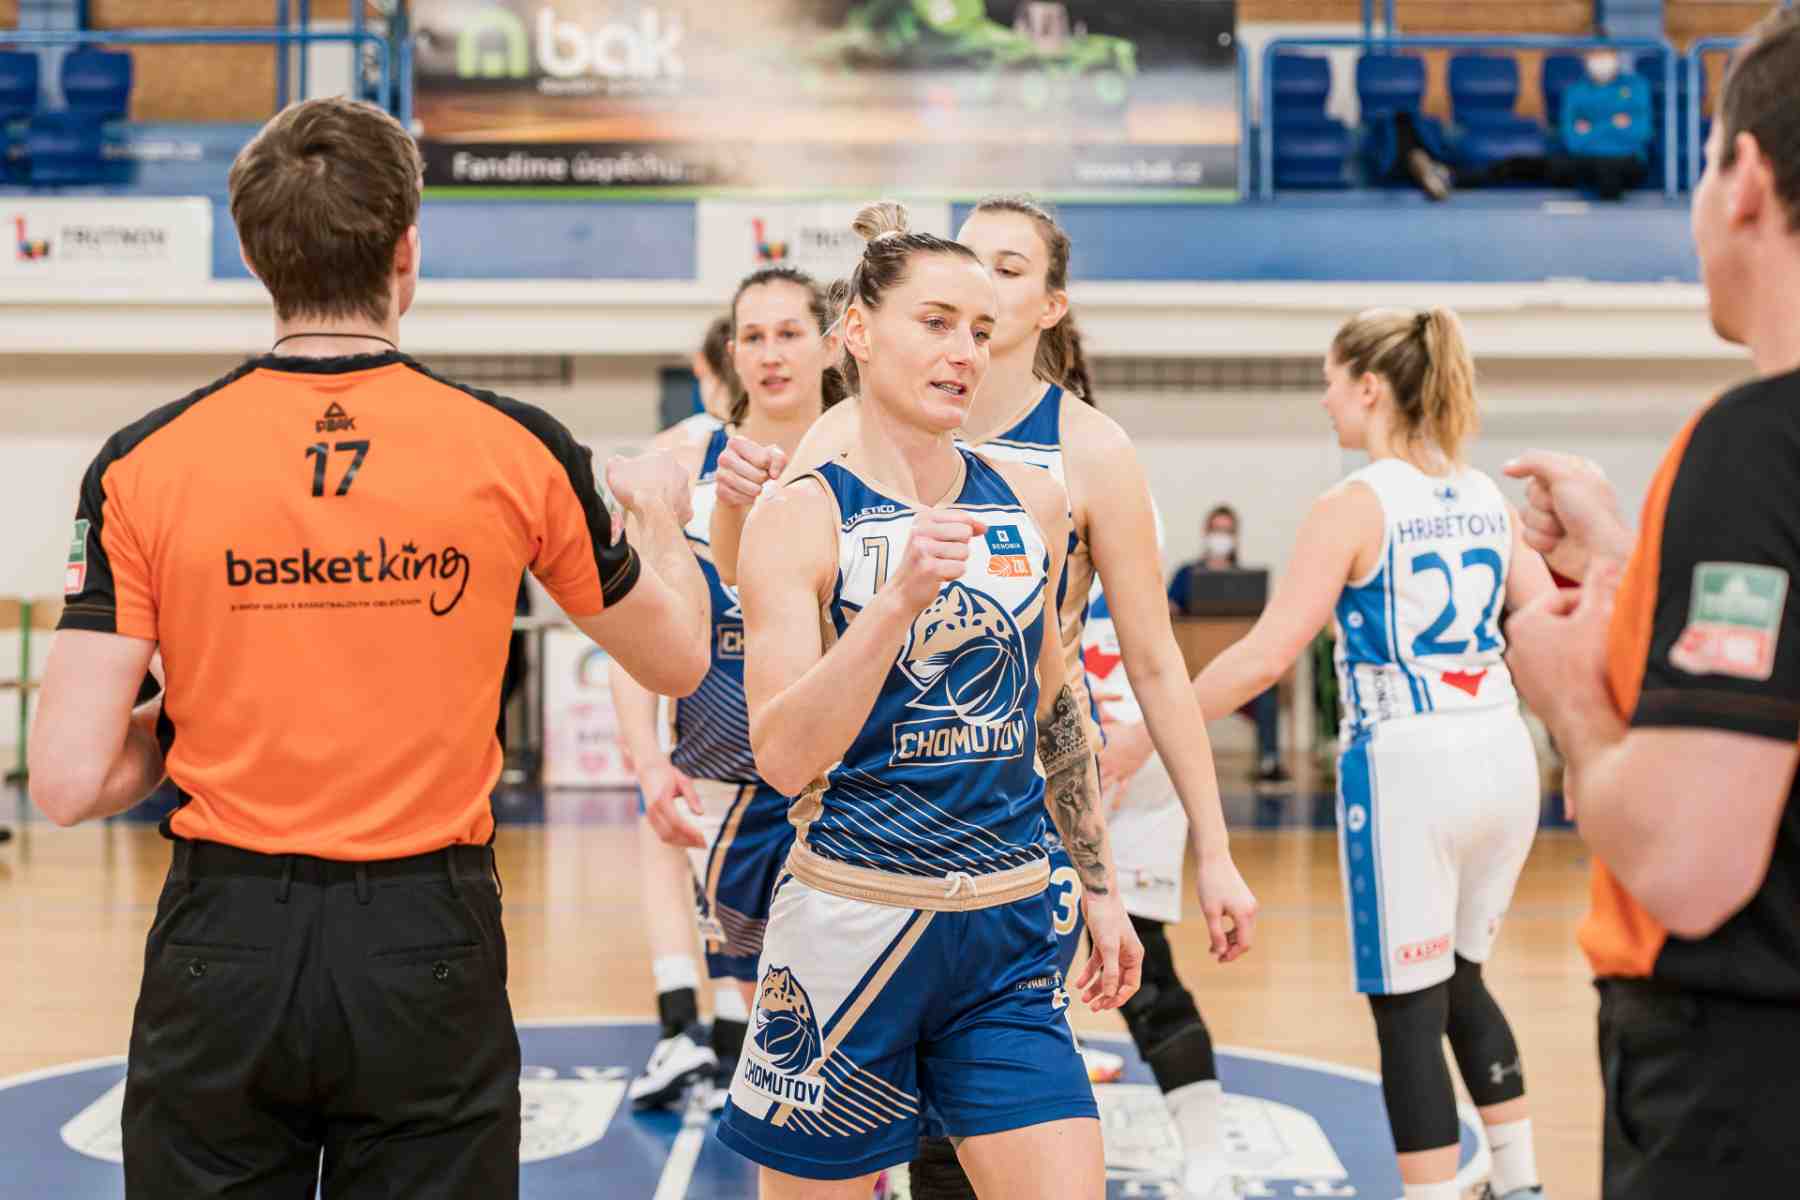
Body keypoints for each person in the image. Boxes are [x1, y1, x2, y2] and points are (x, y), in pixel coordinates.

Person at [25, 97, 711, 1200]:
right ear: (406, 252)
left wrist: (203, 710)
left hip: (223, 942)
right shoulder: (519, 448)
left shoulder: (140, 463)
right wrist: (664, 515)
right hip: (425, 943)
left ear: (255, 255)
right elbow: (677, 662)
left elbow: (65, 781)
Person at [711, 196, 1259, 1199]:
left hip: (1006, 934)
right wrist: (896, 604)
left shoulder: (1033, 499)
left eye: (976, 329)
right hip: (852, 927)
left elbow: (1056, 711)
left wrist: (1099, 888)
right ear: (859, 332)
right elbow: (782, 755)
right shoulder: (807, 508)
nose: (964, 351)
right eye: (936, 324)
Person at [1503, 11, 1800, 1196]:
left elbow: (1689, 862)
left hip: (1744, 1086)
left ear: (1747, 178)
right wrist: (1635, 574)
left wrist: (1571, 703)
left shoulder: (1757, 447)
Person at [1185, 307, 1554, 1200]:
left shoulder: (1353, 505)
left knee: (1406, 1009)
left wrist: (1151, 730)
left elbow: (1266, 656)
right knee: (1462, 982)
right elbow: (1548, 623)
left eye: (1329, 381)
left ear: (1370, 387)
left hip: (1410, 767)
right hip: (1504, 753)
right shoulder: (1484, 495)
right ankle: (1522, 1184)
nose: (1324, 401)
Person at [614, 267, 845, 1110]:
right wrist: (648, 763)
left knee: (852, 1016)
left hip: (848, 785)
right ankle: (694, 1035)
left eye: (790, 333)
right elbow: (633, 638)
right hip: (725, 778)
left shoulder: (870, 460)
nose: (771, 353)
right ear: (731, 354)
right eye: (753, 337)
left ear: (830, 344)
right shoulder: (681, 468)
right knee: (773, 1039)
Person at [1166, 503, 1290, 787]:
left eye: (1226, 531)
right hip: (1194, 669)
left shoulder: (1245, 580)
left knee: (1267, 687)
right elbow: (1167, 608)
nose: (1220, 537)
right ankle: (1178, 765)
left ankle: (1269, 761)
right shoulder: (1186, 574)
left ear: (1235, 536)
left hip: (1235, 670)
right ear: (1205, 532)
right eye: (1216, 530)